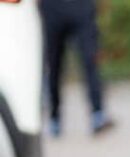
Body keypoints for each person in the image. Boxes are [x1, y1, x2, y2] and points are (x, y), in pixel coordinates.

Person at [39, 0, 114, 137]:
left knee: (90, 61)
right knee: (53, 65)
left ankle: (98, 115)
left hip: (81, 8)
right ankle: (54, 119)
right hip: (52, 9)